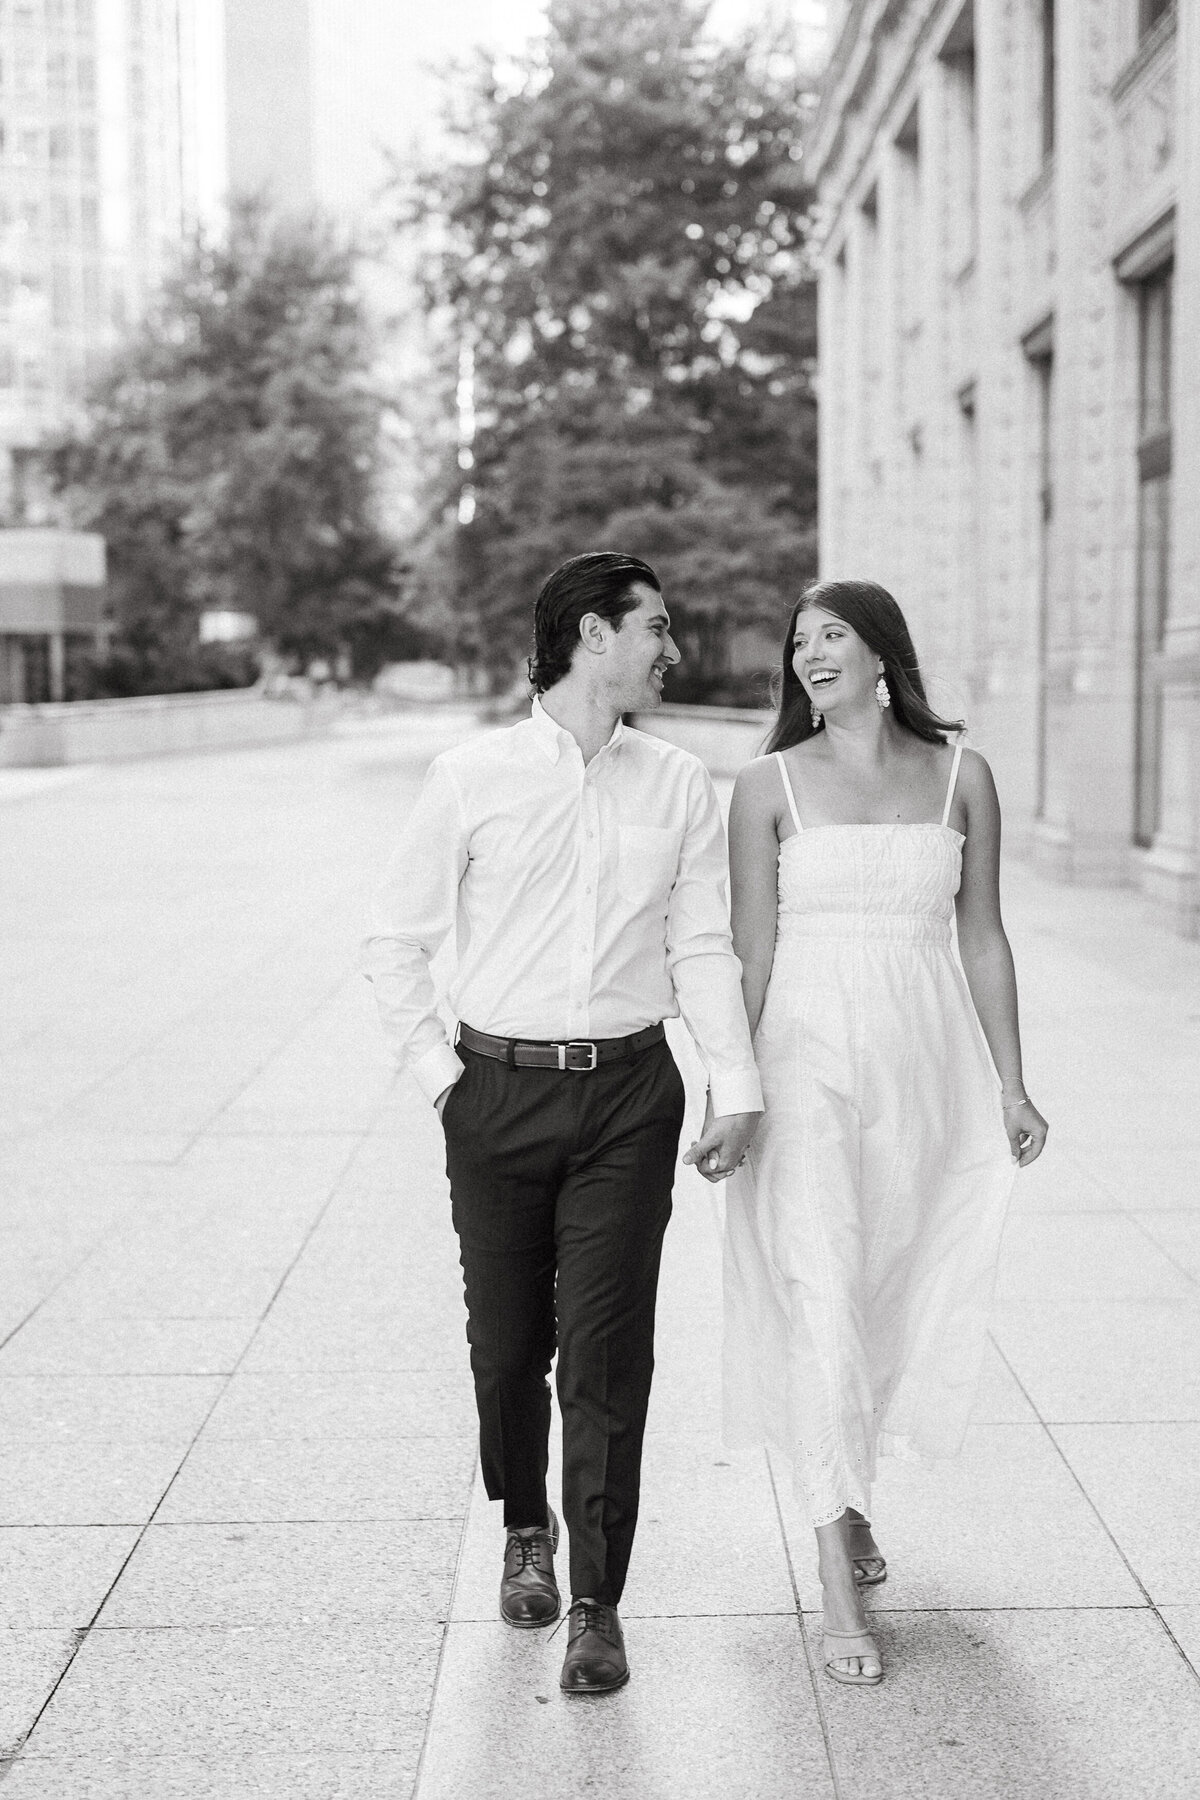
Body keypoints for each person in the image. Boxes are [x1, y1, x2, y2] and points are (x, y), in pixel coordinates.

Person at [363, 551, 762, 1694]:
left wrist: (736, 1085)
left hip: (630, 1097)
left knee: (605, 1355)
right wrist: (447, 1080)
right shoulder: (471, 775)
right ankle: (522, 1528)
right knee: (506, 1355)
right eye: (655, 629)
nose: (669, 651)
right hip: (496, 1092)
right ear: (593, 635)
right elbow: (393, 939)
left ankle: (595, 1603)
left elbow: (698, 945)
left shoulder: (679, 782)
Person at [722, 578, 1047, 1689]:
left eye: (833, 637)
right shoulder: (766, 785)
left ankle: (852, 1498)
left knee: (892, 1290)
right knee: (819, 1293)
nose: (811, 655)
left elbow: (986, 937)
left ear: (883, 654)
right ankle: (833, 1580)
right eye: (799, 642)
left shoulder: (965, 776)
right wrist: (731, 1089)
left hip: (927, 1065)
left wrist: (1012, 1084)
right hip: (804, 1059)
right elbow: (750, 953)